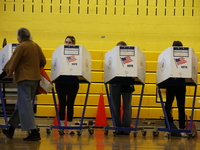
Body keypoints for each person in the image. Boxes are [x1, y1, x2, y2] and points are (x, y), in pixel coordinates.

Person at [1, 28, 46, 141]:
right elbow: (43, 61)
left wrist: (4, 73)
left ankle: (34, 132)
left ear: (19, 38)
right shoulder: (36, 46)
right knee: (22, 104)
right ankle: (10, 130)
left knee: (25, 106)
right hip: (35, 80)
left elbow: (12, 62)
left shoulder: (21, 46)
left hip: (24, 79)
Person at [55, 36, 79, 135]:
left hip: (73, 81)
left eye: (69, 42)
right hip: (61, 81)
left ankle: (69, 127)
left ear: (73, 44)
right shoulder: (60, 53)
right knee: (62, 103)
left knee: (70, 104)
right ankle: (61, 126)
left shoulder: (78, 54)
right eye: (66, 42)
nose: (67, 44)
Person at [109, 41, 134, 135]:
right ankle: (117, 126)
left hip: (127, 81)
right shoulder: (112, 58)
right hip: (114, 81)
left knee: (127, 105)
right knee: (115, 105)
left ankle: (126, 127)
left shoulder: (131, 58)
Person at [164, 40, 187, 137]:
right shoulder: (168, 57)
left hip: (179, 84)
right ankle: (170, 128)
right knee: (172, 107)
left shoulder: (185, 57)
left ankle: (179, 128)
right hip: (173, 84)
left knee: (177, 107)